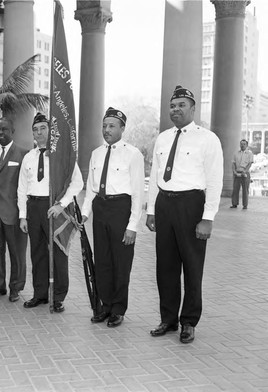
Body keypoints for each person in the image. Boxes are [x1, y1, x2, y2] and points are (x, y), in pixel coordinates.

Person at [146, 85, 223, 344]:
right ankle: (168, 319)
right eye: (172, 105)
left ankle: (188, 321)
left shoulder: (207, 139)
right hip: (165, 203)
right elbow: (156, 175)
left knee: (192, 266)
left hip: (191, 205)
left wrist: (208, 217)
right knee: (165, 266)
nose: (175, 109)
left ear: (192, 108)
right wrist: (151, 210)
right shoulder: (163, 138)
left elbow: (214, 180)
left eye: (181, 105)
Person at [81, 107, 145, 327]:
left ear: (122, 128)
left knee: (121, 262)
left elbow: (138, 192)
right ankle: (105, 305)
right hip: (101, 207)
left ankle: (118, 308)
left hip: (121, 208)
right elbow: (91, 188)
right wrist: (85, 212)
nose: (106, 130)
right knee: (103, 260)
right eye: (104, 126)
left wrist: (132, 225)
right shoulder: (96, 153)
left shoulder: (133, 154)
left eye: (111, 126)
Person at [17, 113, 83, 313]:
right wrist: (22, 215)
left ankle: (59, 297)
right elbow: (21, 188)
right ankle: (40, 294)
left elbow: (77, 183)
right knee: (37, 253)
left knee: (58, 253)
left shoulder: (60, 155)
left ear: (50, 130)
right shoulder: (28, 157)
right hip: (34, 208)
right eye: (35, 130)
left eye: (43, 128)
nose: (39, 133)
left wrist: (61, 205)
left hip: (54, 208)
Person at [0, 117, 28, 302]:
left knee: (17, 254)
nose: (0, 133)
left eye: (4, 129)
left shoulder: (24, 154)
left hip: (14, 214)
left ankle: (15, 288)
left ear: (12, 131)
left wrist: (25, 214)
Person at [231, 139, 254, 210]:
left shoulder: (250, 153)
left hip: (245, 173)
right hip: (237, 173)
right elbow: (233, 163)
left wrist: (245, 171)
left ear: (246, 145)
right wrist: (234, 171)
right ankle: (234, 204)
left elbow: (250, 164)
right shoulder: (236, 153)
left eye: (244, 144)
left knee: (245, 190)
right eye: (241, 144)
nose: (242, 145)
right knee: (235, 189)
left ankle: (245, 205)